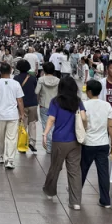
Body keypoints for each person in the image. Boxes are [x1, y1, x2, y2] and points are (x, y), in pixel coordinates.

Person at [42, 75, 85, 209]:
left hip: (59, 140)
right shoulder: (78, 101)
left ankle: (50, 191)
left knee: (55, 167)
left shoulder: (56, 101)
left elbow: (51, 119)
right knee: (74, 171)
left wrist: (45, 134)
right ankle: (75, 202)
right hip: (75, 141)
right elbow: (83, 117)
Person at [80, 79, 112, 208]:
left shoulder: (84, 105)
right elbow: (110, 125)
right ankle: (105, 200)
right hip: (103, 143)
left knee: (82, 170)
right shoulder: (107, 105)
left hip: (88, 143)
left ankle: (76, 197)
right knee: (103, 172)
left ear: (89, 91)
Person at [0, 62, 25, 169]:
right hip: (13, 115)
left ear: (0, 72)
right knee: (11, 138)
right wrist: (22, 113)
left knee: (0, 136)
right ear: (11, 71)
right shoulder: (16, 84)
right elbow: (20, 100)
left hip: (0, 115)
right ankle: (10, 160)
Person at [36, 64, 60, 154]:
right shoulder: (58, 80)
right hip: (56, 105)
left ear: (44, 70)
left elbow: (36, 91)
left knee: (46, 126)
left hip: (44, 104)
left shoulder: (41, 80)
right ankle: (54, 145)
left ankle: (49, 147)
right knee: (54, 125)